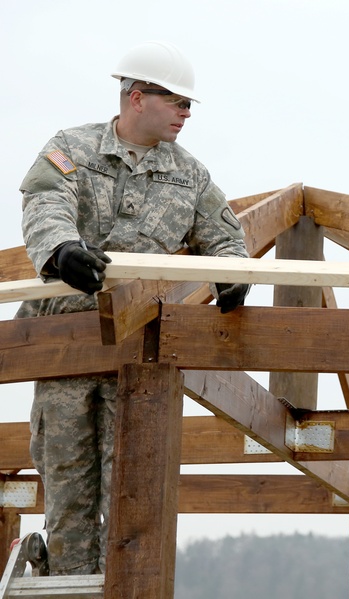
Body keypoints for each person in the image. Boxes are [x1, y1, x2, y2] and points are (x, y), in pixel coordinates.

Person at [16, 40, 250, 576]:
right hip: (64, 347)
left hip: (138, 352)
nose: (187, 114)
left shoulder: (189, 174)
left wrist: (232, 276)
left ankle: (122, 585)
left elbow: (223, 234)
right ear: (137, 97)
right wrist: (59, 249)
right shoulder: (72, 147)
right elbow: (45, 200)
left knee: (133, 488)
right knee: (67, 484)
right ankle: (69, 578)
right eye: (179, 103)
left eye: (189, 106)